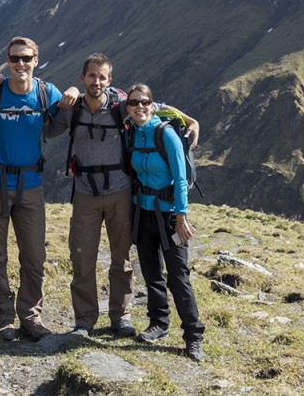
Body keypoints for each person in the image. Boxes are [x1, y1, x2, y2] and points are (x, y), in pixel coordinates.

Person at [47, 53, 200, 339]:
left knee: (121, 258)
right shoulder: (73, 108)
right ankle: (84, 320)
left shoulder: (122, 105)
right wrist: (62, 97)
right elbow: (47, 129)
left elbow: (158, 107)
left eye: (102, 77)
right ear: (82, 79)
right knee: (82, 259)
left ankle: (121, 316)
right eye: (91, 76)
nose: (97, 81)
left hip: (120, 192)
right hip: (84, 192)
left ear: (110, 80)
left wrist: (191, 121)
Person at [0, 36, 63, 341]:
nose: (20, 64)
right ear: (7, 60)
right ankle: (3, 316)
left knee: (34, 256)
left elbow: (70, 109)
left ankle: (30, 317)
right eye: (15, 59)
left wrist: (74, 91)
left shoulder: (46, 93)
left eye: (26, 58)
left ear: (36, 60)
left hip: (30, 185)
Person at [126, 82, 205, 362]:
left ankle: (194, 337)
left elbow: (181, 179)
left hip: (170, 215)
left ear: (152, 104)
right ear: (128, 107)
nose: (139, 107)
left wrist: (182, 217)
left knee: (178, 277)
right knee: (151, 272)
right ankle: (159, 322)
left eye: (144, 102)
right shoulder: (131, 134)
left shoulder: (166, 134)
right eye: (134, 102)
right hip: (142, 212)